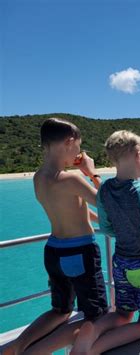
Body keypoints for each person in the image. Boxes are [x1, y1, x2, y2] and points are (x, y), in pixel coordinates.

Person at [4, 118, 108, 355]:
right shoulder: (71, 179)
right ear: (69, 142)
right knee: (96, 315)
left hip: (54, 251)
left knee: (60, 310)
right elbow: (108, 203)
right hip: (80, 253)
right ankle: (37, 351)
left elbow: (73, 208)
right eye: (78, 147)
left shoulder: (39, 177)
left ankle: (17, 346)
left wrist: (97, 220)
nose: (78, 153)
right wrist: (92, 173)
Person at [71, 130, 140, 354]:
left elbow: (108, 227)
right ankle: (95, 348)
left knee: (123, 313)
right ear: (138, 154)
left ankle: (93, 329)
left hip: (120, 264)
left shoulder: (106, 190)